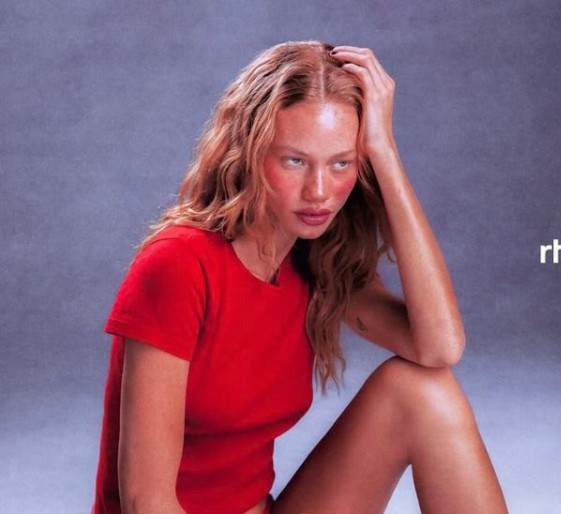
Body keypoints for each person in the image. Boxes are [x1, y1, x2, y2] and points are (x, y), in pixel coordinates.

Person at [92, 40, 509, 514]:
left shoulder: (315, 261)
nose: (319, 191)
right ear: (248, 154)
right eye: (294, 160)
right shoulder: (178, 265)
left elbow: (440, 347)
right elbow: (145, 502)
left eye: (341, 163)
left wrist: (385, 150)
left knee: (424, 391)